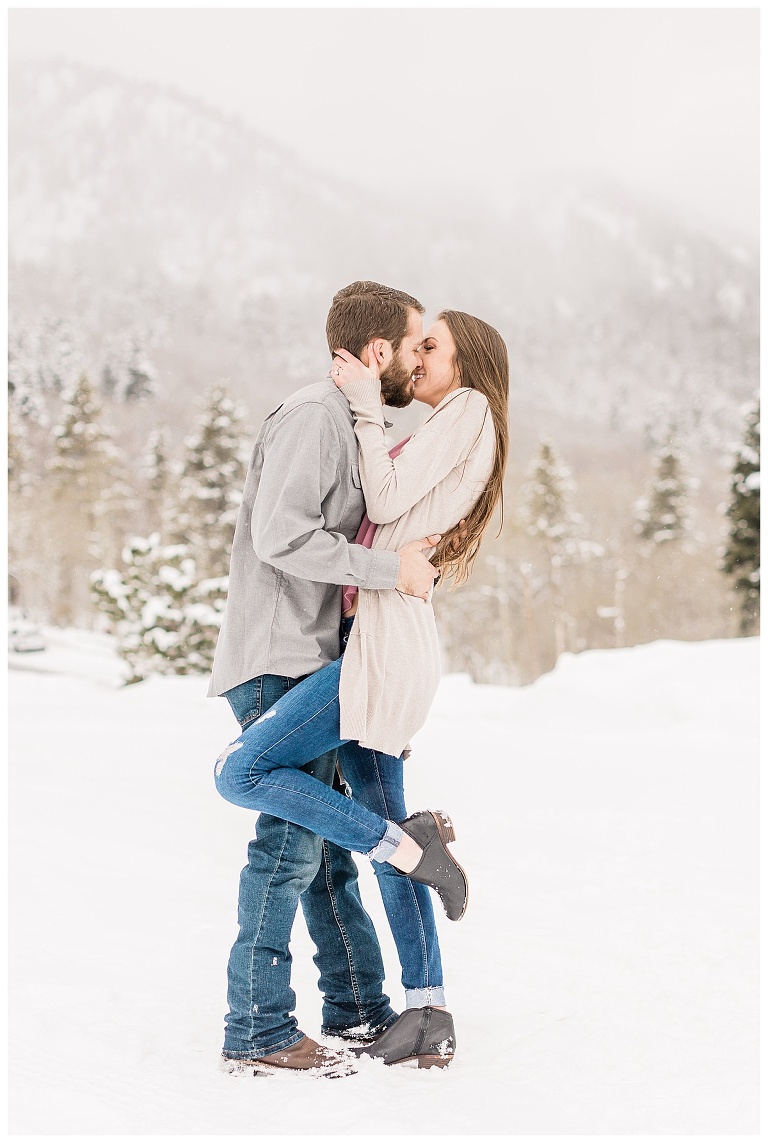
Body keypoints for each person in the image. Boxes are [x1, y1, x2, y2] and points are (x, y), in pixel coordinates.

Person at [215, 300, 510, 1069]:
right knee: (354, 835)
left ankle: (266, 1021)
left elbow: (377, 507)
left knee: (251, 782)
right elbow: (353, 519)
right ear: (379, 346)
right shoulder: (342, 417)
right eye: (415, 343)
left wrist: (367, 407)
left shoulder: (465, 408)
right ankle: (416, 1010)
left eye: (432, 346)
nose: (419, 358)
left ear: (464, 361)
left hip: (379, 644)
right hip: (359, 640)